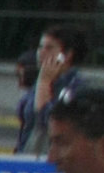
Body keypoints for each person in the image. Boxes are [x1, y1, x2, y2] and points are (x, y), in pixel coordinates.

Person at [16, 23, 90, 155]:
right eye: (40, 47)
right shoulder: (38, 82)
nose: (41, 52)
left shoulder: (76, 87)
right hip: (28, 154)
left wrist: (44, 82)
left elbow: (47, 119)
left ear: (67, 55)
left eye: (49, 48)